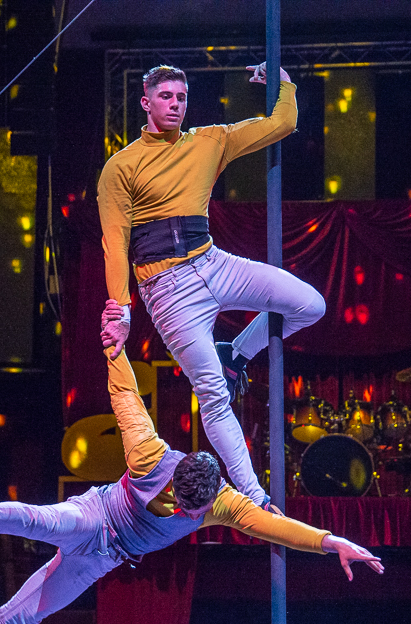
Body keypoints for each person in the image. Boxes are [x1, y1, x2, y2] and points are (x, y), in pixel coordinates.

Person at [0, 311, 382, 624]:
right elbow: (125, 393)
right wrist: (116, 346)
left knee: (13, 621)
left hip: (103, 559)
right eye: (178, 499)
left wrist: (331, 542)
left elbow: (276, 527)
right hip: (94, 517)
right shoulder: (149, 455)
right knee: (43, 521)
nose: (179, 510)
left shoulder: (224, 503)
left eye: (189, 511)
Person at [97, 62, 326, 511]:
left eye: (181, 97)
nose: (175, 105)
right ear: (146, 103)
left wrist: (283, 83)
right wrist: (121, 311)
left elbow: (281, 124)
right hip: (167, 290)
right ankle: (254, 495)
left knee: (310, 305)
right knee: (213, 395)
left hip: (213, 263)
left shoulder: (209, 141)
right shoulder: (120, 166)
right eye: (166, 96)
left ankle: (236, 354)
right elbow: (115, 244)